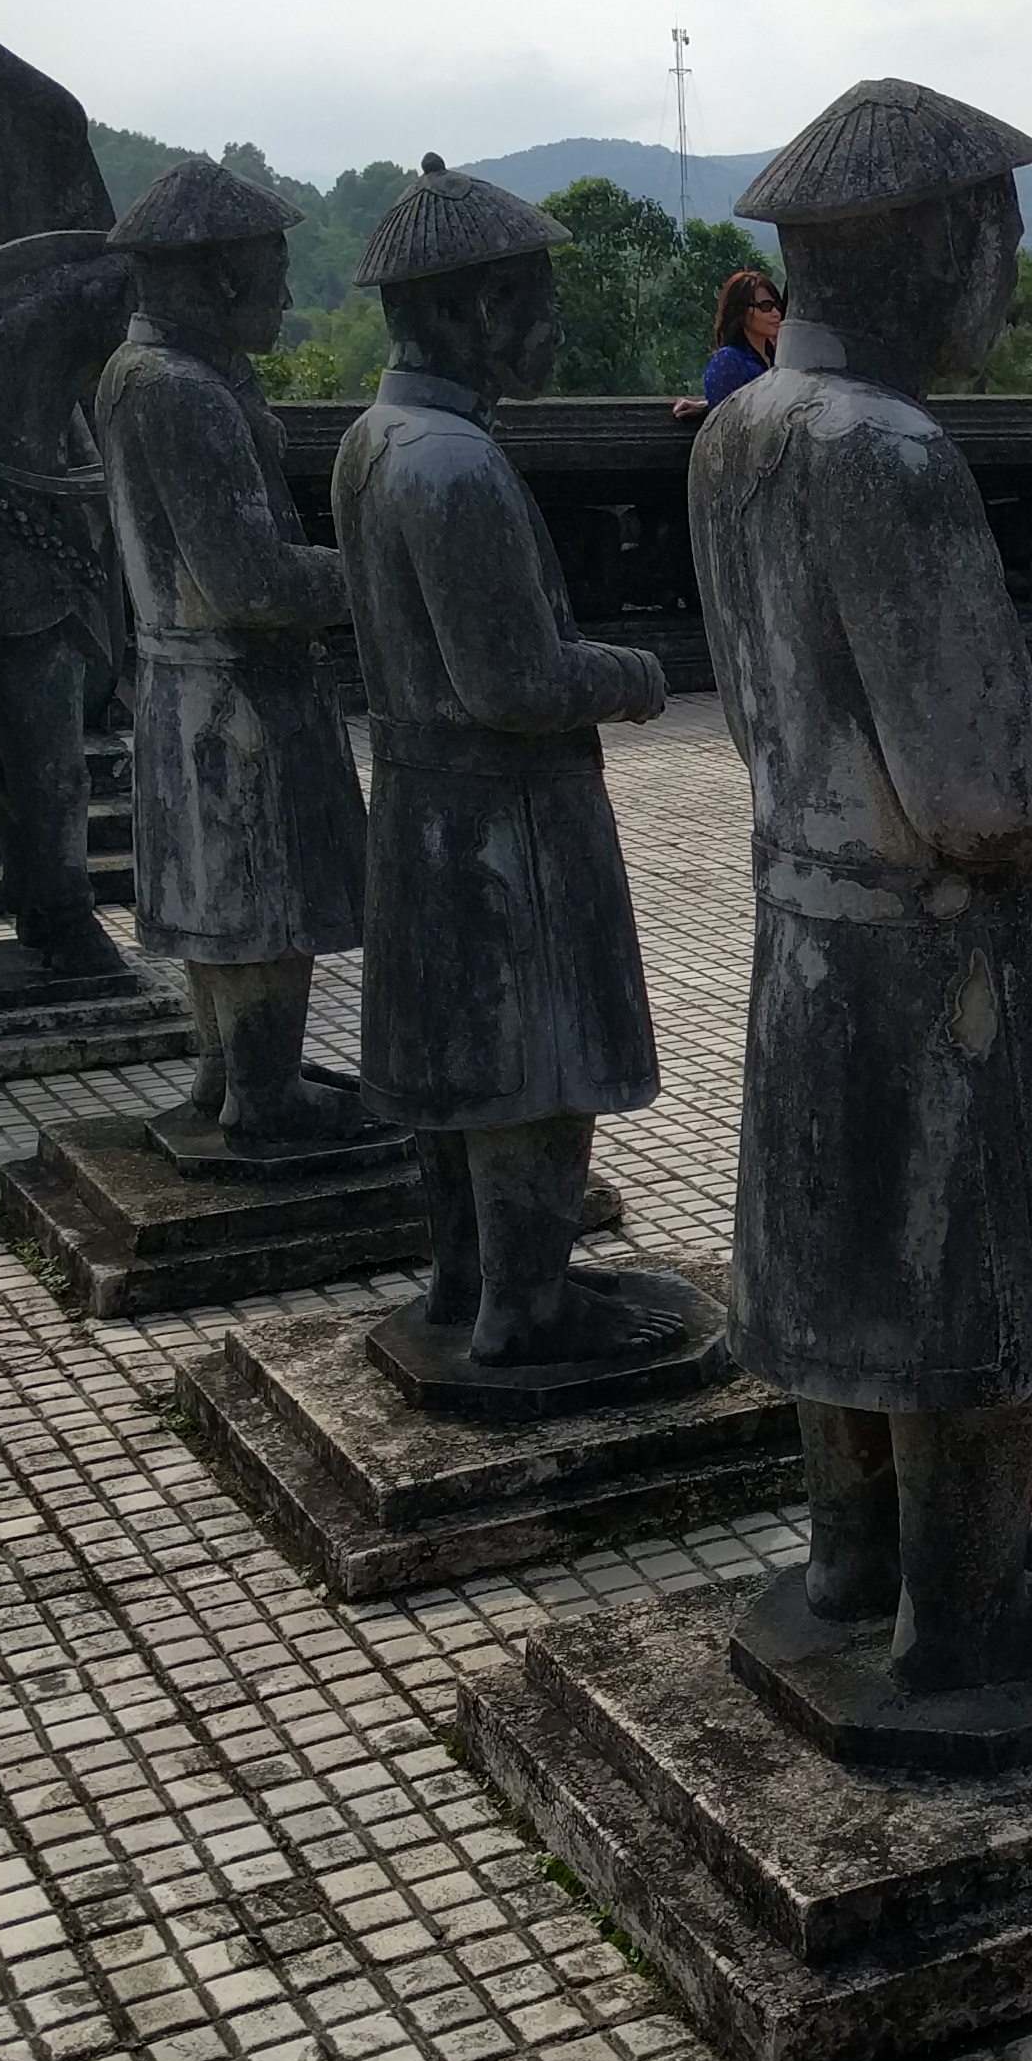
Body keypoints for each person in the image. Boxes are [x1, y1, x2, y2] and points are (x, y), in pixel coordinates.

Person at [692, 75, 1032, 1692]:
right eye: (998, 244)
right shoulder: (889, 453)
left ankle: (853, 1563)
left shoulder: (742, 429)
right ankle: (961, 1623)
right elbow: (980, 792)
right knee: (966, 1291)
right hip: (938, 953)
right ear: (933, 251)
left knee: (843, 1263)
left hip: (806, 919)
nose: (1010, 277)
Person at [337, 157, 677, 1368]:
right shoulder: (454, 461)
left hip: (424, 803)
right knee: (538, 1063)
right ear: (482, 307)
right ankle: (527, 1306)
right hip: (506, 815)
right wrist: (630, 674)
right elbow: (514, 685)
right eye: (539, 299)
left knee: (459, 1062)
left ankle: (468, 1280)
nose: (553, 325)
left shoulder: (376, 438)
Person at [97, 154, 378, 1148]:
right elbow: (251, 584)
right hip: (237, 694)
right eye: (275, 272)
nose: (287, 297)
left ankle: (233, 1073)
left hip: (187, 684)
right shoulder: (184, 393)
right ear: (221, 277)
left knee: (221, 895)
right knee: (261, 896)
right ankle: (262, 1092)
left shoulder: (143, 374)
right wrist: (374, 568)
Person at [675, 267, 782, 421]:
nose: (776, 313)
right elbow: (722, 421)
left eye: (778, 306)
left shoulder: (776, 359)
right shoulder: (728, 361)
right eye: (766, 306)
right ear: (741, 311)